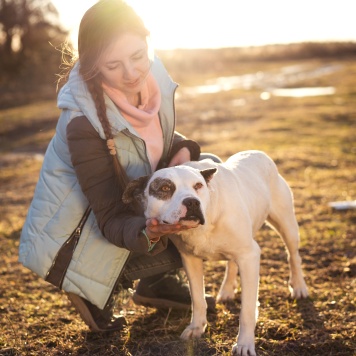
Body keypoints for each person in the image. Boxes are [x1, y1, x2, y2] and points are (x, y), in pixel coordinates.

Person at [19, 0, 221, 332]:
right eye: (113, 65)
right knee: (175, 213)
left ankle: (156, 281)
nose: (131, 73)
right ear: (92, 65)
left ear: (147, 43)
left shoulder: (153, 78)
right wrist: (151, 232)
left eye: (138, 56)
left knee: (208, 171)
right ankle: (93, 285)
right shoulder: (84, 123)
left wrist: (181, 151)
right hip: (78, 240)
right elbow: (111, 216)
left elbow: (148, 142)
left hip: (121, 209)